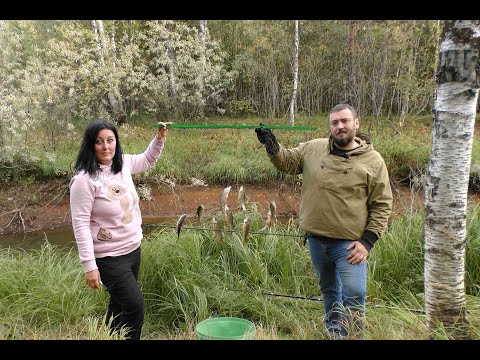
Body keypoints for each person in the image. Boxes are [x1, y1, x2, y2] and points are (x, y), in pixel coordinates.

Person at [255, 104, 392, 339]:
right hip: (316, 240)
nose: (340, 126)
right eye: (335, 122)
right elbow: (288, 162)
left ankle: (351, 336)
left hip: (349, 245)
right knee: (329, 290)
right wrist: (271, 145)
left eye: (345, 121)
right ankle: (333, 330)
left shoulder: (373, 160)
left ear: (356, 124)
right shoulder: (315, 148)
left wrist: (367, 242)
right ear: (330, 126)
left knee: (354, 293)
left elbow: (382, 204)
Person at [69, 118, 169, 340]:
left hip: (133, 248)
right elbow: (80, 224)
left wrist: (159, 138)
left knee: (118, 304)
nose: (106, 147)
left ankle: (109, 337)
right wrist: (89, 266)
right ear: (90, 145)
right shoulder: (83, 181)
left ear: (116, 142)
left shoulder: (122, 163)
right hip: (108, 256)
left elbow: (147, 159)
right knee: (135, 307)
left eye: (110, 140)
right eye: (99, 142)